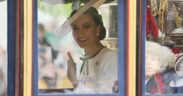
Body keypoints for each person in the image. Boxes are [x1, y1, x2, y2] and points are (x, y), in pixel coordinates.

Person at [67, 7, 118, 93]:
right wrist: (74, 80)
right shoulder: (86, 58)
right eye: (76, 28)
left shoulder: (111, 58)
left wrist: (74, 80)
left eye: (87, 26)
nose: (80, 33)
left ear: (97, 29)